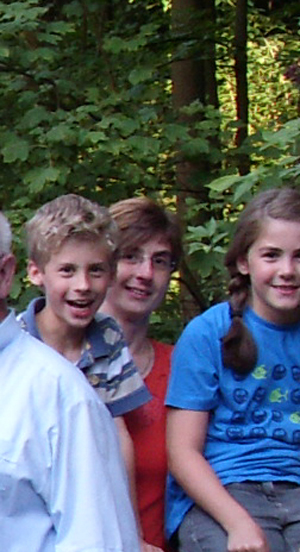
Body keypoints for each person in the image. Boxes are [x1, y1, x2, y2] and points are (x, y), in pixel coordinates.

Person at [165, 188, 300, 552]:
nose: (287, 271)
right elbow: (182, 454)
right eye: (271, 255)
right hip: (220, 496)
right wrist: (238, 524)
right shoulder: (209, 333)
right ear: (244, 261)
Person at [17, 194, 153, 551]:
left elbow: (118, 437)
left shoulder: (106, 337)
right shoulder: (18, 343)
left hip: (89, 497)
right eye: (67, 270)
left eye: (96, 270)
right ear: (35, 272)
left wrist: (132, 533)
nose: (83, 285)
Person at [101, 197, 183, 551]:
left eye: (160, 261)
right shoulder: (56, 364)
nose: (146, 273)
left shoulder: (185, 367)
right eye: (130, 256)